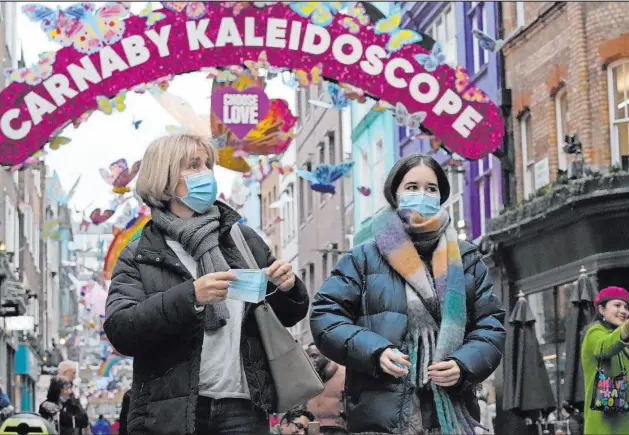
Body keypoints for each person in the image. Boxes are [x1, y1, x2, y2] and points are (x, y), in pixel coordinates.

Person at [104, 134, 309, 434]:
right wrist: (191, 296)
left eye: (208, 165)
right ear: (165, 178)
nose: (206, 174)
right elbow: (122, 329)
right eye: (194, 165)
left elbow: (288, 315)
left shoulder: (243, 241)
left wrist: (288, 286)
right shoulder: (140, 254)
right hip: (171, 413)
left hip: (243, 409)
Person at [310, 154, 506, 434]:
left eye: (431, 188)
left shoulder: (467, 259)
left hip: (449, 416)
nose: (422, 195)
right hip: (381, 419)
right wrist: (375, 351)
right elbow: (325, 317)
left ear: (441, 196)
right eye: (412, 187)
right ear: (395, 193)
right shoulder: (363, 258)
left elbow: (491, 326)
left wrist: (462, 364)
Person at [581, 286, 629, 434]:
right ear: (601, 310)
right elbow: (605, 347)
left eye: (626, 307)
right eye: (617, 305)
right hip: (608, 429)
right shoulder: (595, 333)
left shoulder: (624, 343)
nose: (623, 311)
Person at [306, 344, 345, 428]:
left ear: (326, 355)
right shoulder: (308, 380)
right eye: (308, 357)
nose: (310, 361)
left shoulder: (344, 375)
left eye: (314, 356)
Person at [57, 361, 89, 434]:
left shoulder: (72, 395)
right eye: (73, 373)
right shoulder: (55, 393)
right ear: (65, 373)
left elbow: (84, 419)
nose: (74, 376)